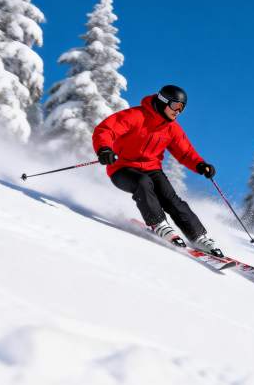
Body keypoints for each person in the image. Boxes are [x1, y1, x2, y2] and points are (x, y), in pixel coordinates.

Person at [92, 84, 223, 257]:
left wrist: (200, 165)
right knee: (142, 183)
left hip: (152, 169)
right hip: (122, 168)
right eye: (175, 106)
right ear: (163, 102)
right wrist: (104, 149)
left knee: (171, 199)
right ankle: (158, 224)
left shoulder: (172, 128)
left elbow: (185, 152)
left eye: (182, 108)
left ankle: (199, 237)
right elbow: (106, 129)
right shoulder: (136, 116)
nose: (178, 111)